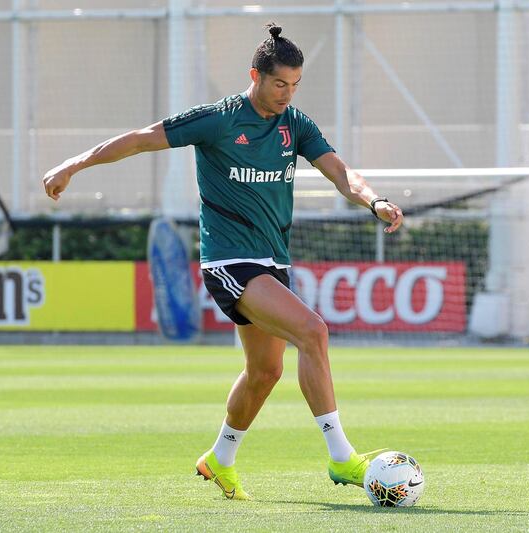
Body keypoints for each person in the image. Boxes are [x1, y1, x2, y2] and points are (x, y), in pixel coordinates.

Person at [43, 22, 404, 501]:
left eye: (295, 85)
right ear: (254, 74)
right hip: (229, 262)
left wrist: (374, 200)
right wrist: (73, 165)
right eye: (279, 83)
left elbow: (340, 172)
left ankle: (219, 459)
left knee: (265, 372)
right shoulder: (218, 119)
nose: (287, 93)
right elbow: (141, 138)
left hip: (272, 262)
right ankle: (341, 458)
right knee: (313, 331)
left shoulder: (296, 125)